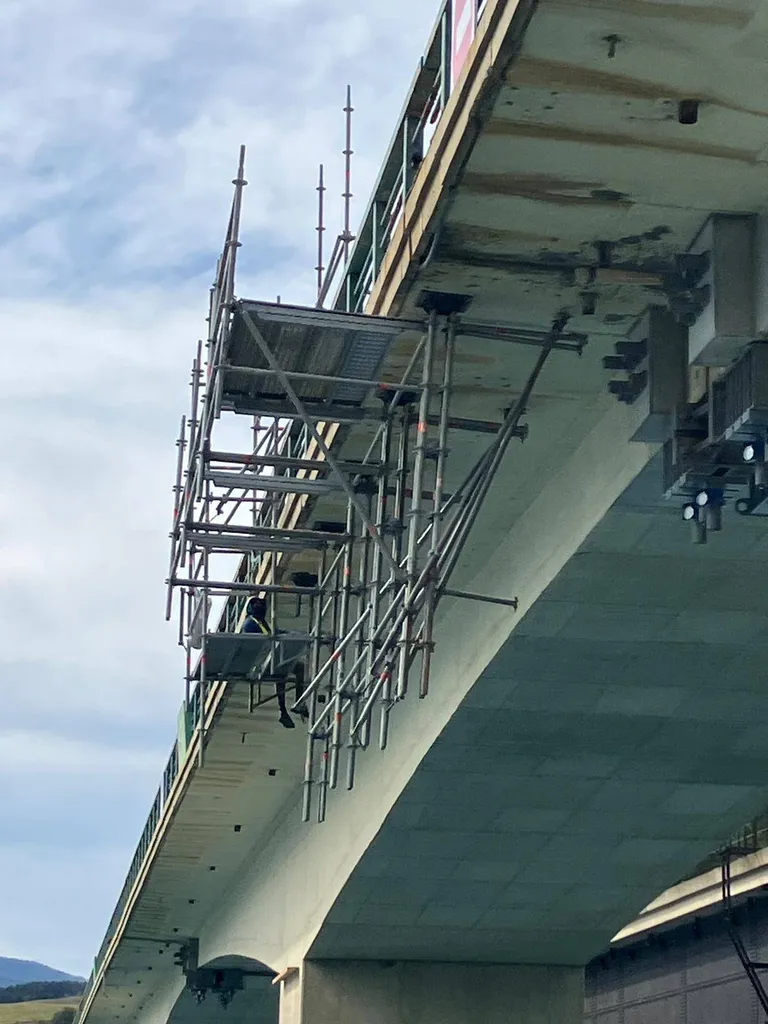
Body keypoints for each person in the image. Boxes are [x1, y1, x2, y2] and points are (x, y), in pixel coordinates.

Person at [243, 596, 308, 729]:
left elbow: (275, 633)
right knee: (282, 671)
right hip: (260, 662)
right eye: (256, 605)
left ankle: (296, 703)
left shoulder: (261, 622)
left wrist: (294, 634)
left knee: (296, 668)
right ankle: (285, 708)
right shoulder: (250, 623)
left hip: (271, 658)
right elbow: (259, 642)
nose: (260, 608)